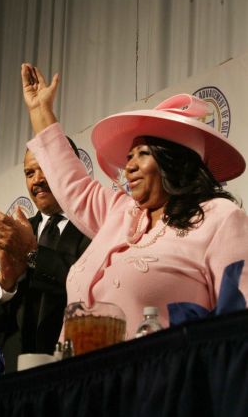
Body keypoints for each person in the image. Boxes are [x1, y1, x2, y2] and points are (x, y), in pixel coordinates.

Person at [20, 63, 248, 336]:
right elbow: (72, 184)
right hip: (83, 376)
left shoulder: (219, 217)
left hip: (164, 375)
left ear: (174, 160)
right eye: (129, 158)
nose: (129, 167)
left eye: (143, 154)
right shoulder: (120, 211)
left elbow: (238, 319)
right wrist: (39, 111)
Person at [0, 143, 91, 371]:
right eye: (30, 173)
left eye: (45, 169)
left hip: (75, 368)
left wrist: (31, 255)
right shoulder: (10, 238)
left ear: (73, 169)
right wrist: (5, 282)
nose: (37, 180)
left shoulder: (93, 225)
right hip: (13, 379)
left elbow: (84, 284)